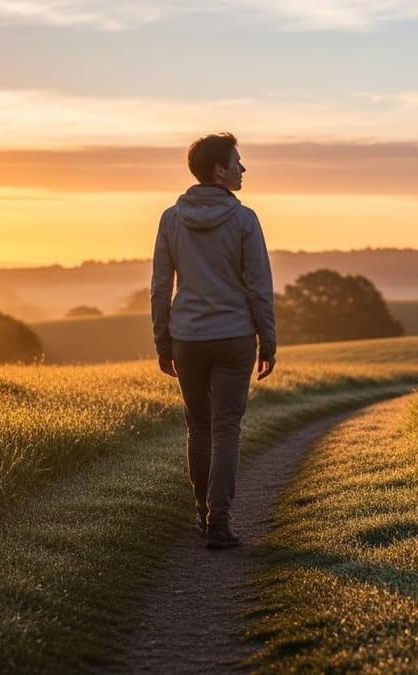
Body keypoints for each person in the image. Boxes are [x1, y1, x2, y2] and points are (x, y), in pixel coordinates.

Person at [151, 132, 276, 550]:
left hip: (187, 338)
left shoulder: (171, 219)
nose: (243, 169)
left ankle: (201, 516)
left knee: (199, 427)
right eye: (238, 162)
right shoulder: (245, 219)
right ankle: (219, 521)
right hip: (235, 335)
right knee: (226, 428)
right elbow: (259, 285)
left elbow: (159, 287)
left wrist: (162, 341)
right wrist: (268, 341)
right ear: (219, 170)